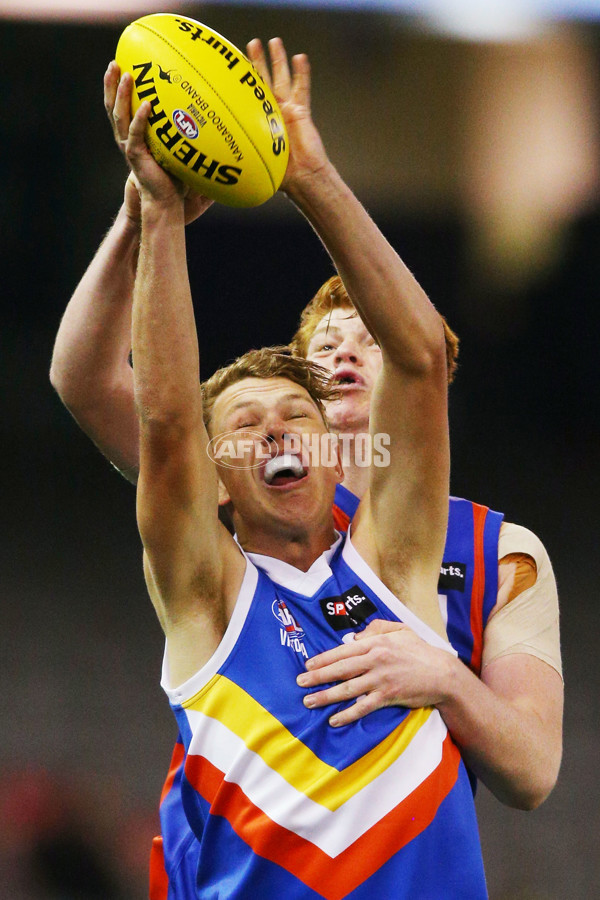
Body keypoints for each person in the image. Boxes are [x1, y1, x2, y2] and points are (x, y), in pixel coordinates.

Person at [49, 36, 562, 897]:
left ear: (339, 444)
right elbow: (163, 418)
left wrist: (310, 175)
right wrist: (156, 209)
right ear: (218, 476)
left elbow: (422, 357)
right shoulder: (208, 588)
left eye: (297, 414)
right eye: (247, 424)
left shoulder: (422, 558)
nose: (280, 430)